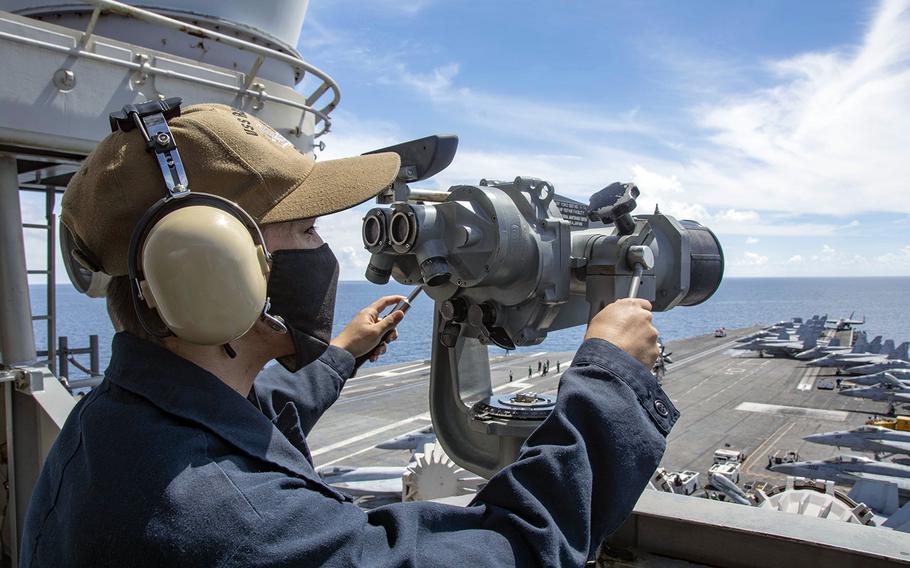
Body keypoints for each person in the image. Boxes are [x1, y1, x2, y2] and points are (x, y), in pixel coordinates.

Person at [21, 104, 677, 567]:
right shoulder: (234, 527)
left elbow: (240, 423)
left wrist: (339, 355)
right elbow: (510, 550)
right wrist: (610, 382)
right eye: (304, 230)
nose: (322, 250)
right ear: (214, 266)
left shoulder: (110, 426)